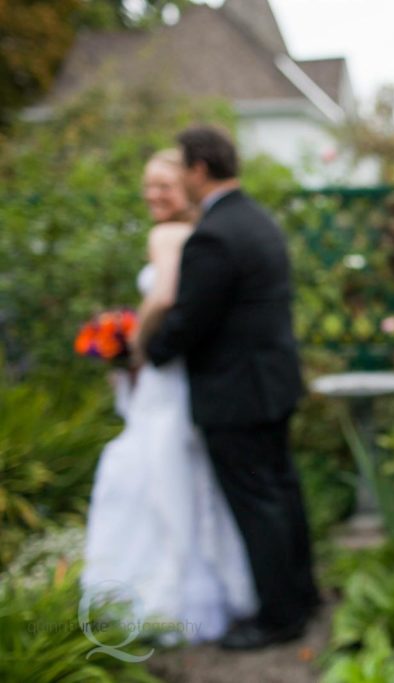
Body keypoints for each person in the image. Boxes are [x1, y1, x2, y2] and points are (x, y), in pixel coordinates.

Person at [145, 125, 319, 650]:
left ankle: (279, 617)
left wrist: (149, 353)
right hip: (273, 382)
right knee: (282, 493)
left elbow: (191, 319)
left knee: (258, 504)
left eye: (182, 168)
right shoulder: (259, 220)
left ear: (199, 171)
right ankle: (302, 595)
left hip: (236, 394)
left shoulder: (215, 234)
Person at [82, 149, 257, 645]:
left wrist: (133, 343)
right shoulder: (207, 233)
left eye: (164, 185)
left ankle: (161, 595)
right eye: (148, 186)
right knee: (187, 477)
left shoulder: (168, 235)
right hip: (188, 378)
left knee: (145, 473)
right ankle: (210, 592)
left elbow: (162, 297)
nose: (153, 195)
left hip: (164, 375)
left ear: (187, 185)